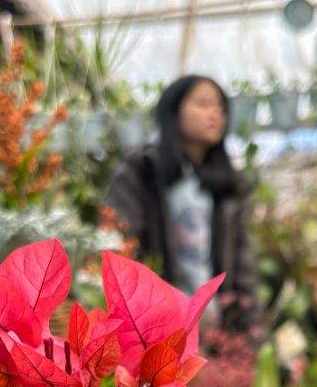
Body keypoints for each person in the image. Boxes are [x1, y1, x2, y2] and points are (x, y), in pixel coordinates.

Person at [105, 74, 258, 333]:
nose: (215, 114)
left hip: (217, 324)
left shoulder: (228, 184)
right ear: (173, 111)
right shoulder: (142, 171)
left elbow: (244, 260)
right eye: (203, 103)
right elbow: (120, 243)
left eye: (220, 107)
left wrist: (250, 326)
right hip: (158, 325)